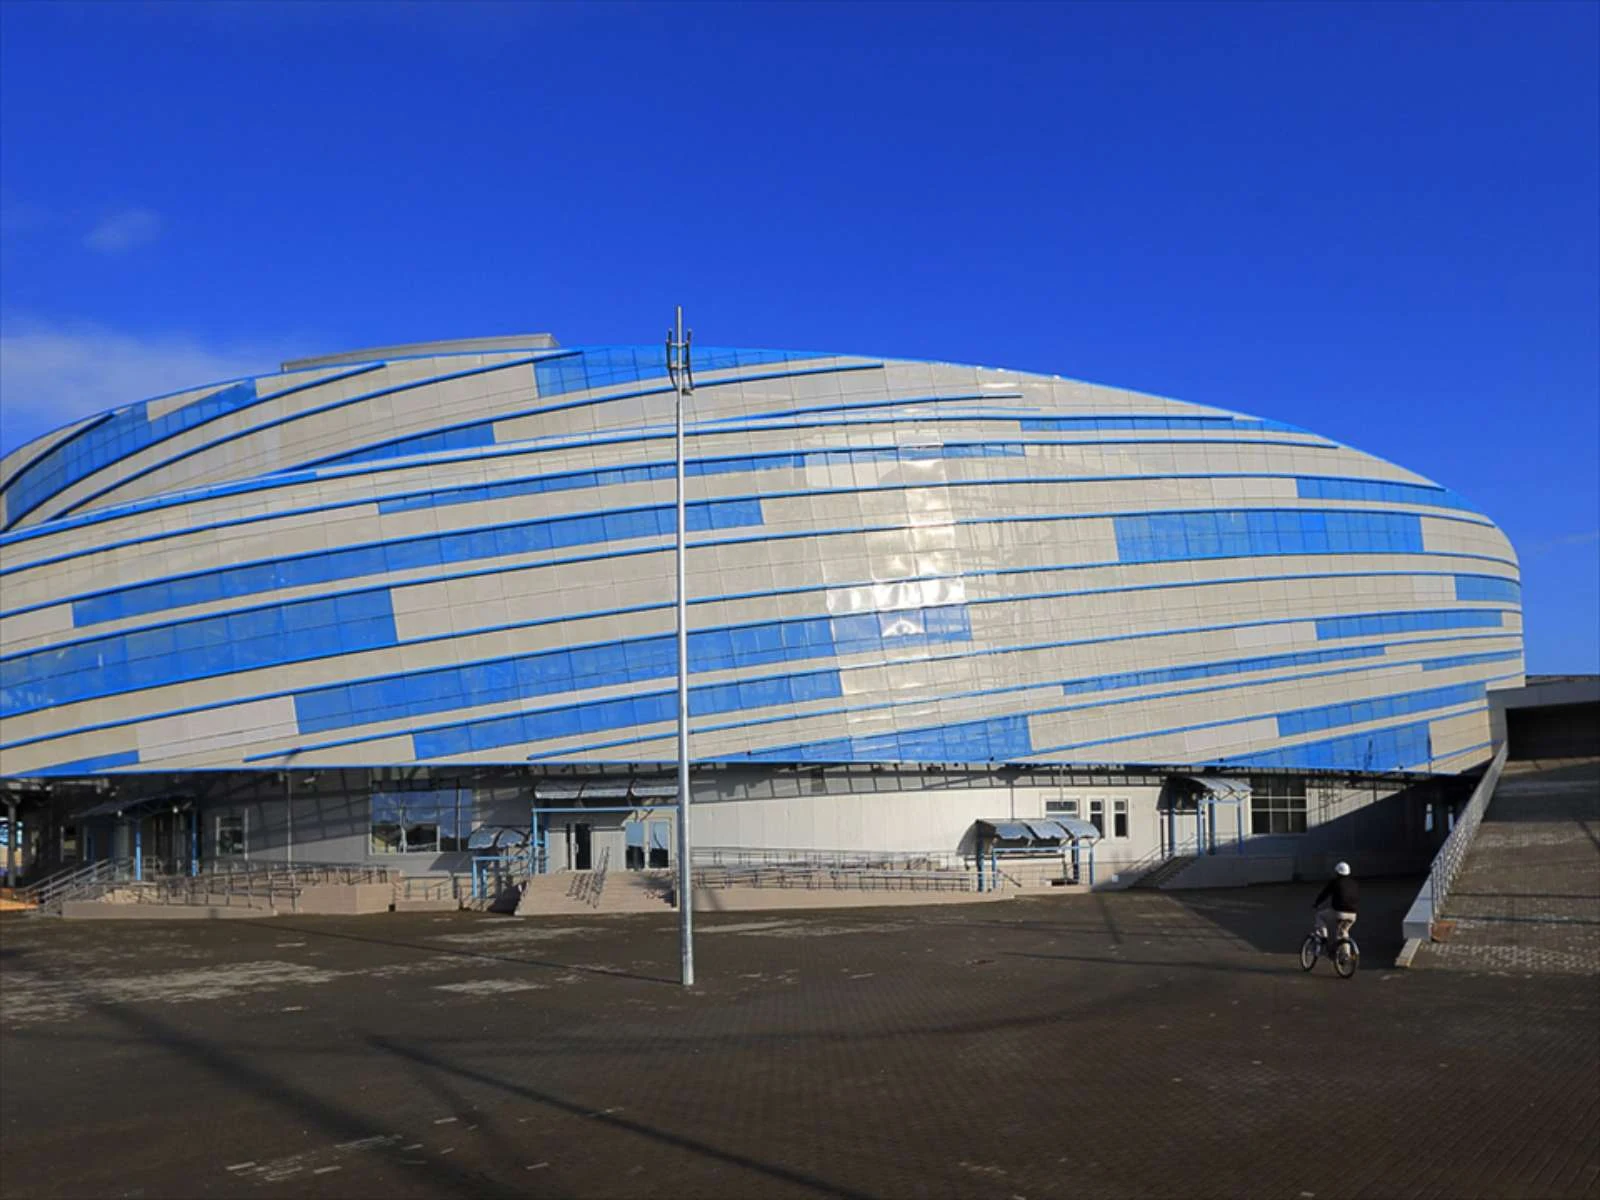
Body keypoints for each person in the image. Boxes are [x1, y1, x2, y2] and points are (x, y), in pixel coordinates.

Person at [1313, 861, 1359, 948]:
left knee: (1320, 916)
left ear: (1338, 872)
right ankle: (1345, 956)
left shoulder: (1335, 882)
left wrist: (1316, 903)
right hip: (1353, 914)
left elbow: (1325, 894)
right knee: (1343, 932)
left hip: (1339, 912)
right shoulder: (1354, 883)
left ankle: (1323, 936)